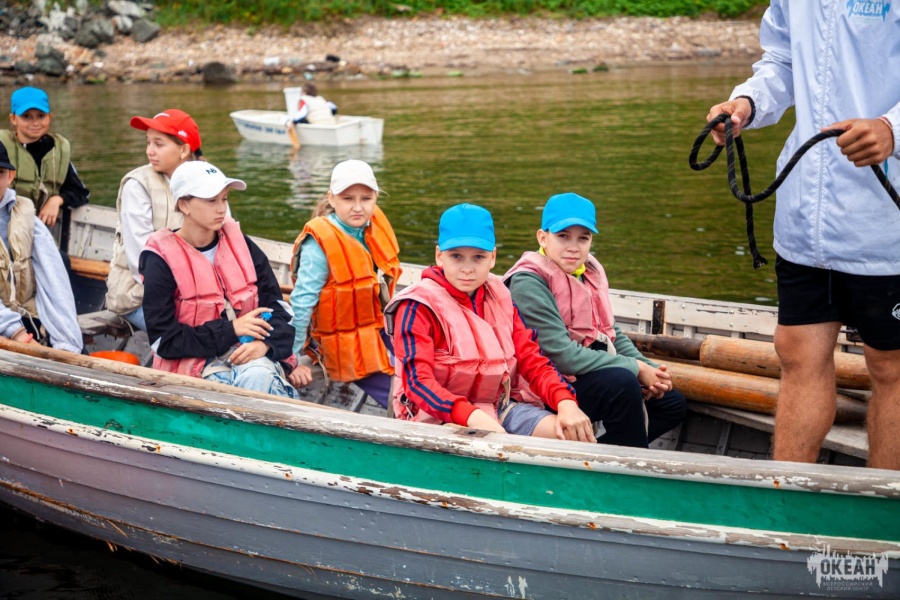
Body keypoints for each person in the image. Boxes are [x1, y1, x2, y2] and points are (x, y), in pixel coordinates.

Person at [705, 1, 900, 469]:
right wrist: (747, 103)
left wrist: (892, 129)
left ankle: (885, 507)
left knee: (891, 366)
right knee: (796, 354)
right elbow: (783, 59)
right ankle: (787, 498)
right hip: (803, 216)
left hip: (886, 222)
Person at [384, 203, 597, 443]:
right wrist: (471, 416)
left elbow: (532, 359)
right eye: (456, 256)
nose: (467, 269)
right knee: (484, 443)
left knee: (571, 434)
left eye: (478, 257)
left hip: (498, 407)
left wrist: (565, 401)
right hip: (435, 418)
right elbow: (418, 383)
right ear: (439, 256)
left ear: (492, 257)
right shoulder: (416, 307)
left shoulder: (501, 297)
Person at [504, 193, 687, 448]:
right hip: (543, 386)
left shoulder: (586, 272)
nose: (573, 247)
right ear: (543, 238)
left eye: (583, 238)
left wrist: (650, 370)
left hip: (579, 374)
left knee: (672, 403)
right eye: (563, 236)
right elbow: (562, 356)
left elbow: (609, 331)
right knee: (622, 385)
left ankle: (604, 453)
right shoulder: (529, 282)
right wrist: (635, 369)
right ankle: (628, 463)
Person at [140, 161, 296, 398]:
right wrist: (232, 330)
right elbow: (163, 341)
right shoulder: (159, 258)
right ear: (184, 205)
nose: (221, 208)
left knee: (258, 374)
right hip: (192, 368)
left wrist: (265, 345)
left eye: (224, 199)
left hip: (248, 355)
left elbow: (279, 310)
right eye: (211, 200)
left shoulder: (241, 244)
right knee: (256, 380)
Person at [288, 159, 400, 407]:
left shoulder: (372, 228)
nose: (358, 207)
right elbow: (301, 305)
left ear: (376, 197)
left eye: (366, 198)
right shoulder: (319, 244)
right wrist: (290, 359)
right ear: (332, 198)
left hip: (376, 327)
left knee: (425, 365)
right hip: (339, 343)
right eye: (348, 199)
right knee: (401, 394)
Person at [105, 109, 204, 332]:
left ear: (184, 150)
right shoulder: (137, 185)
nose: (149, 151)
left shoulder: (208, 182)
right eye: (148, 142)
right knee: (192, 338)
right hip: (139, 296)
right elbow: (141, 261)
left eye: (158, 144)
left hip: (198, 294)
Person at [0, 140, 83, 353]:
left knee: (76, 354)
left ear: (10, 176)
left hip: (26, 315)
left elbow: (54, 280)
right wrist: (18, 334)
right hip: (8, 326)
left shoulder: (25, 213)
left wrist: (66, 343)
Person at [0, 86, 90, 245]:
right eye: (26, 116)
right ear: (13, 119)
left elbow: (80, 193)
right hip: (5, 228)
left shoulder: (58, 151)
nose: (35, 122)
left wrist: (57, 199)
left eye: (41, 116)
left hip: (40, 232)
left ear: (50, 117)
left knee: (61, 258)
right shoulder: (2, 148)